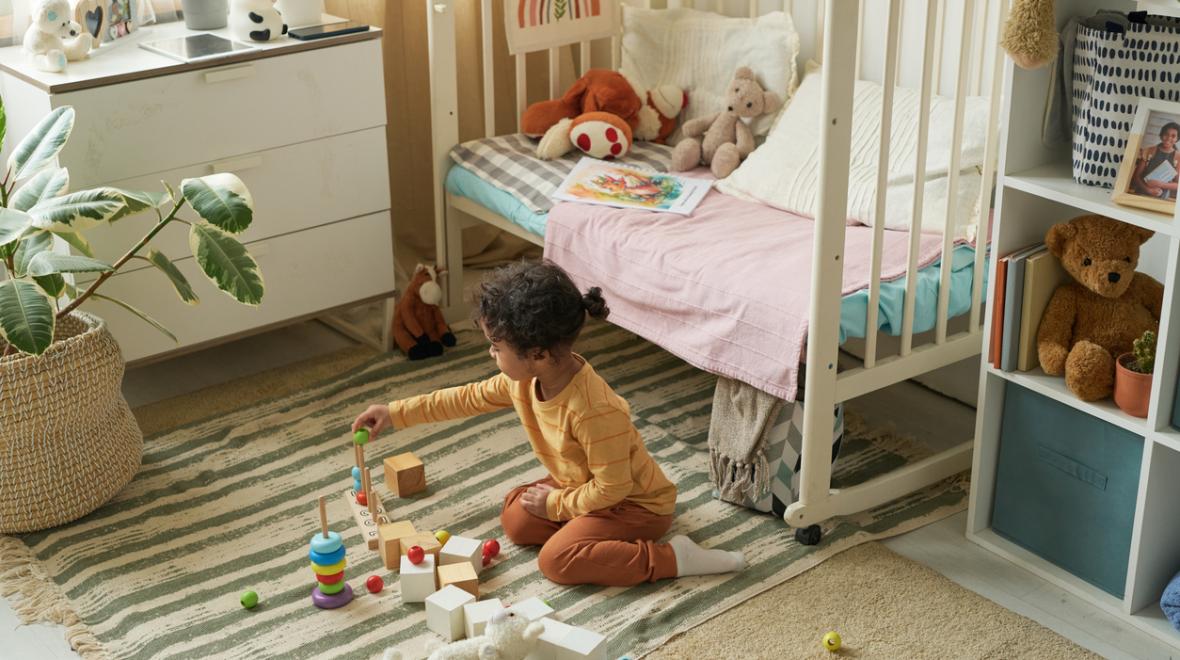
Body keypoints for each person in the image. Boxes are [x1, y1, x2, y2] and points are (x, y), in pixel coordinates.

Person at [352, 260, 745, 586]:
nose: (491, 353)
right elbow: (465, 398)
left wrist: (556, 504)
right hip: (583, 487)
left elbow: (615, 487)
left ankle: (674, 557)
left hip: (635, 505)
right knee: (516, 521)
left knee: (556, 563)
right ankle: (587, 536)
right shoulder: (525, 381)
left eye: (496, 346)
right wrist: (395, 412)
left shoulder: (594, 409)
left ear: (538, 354)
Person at [1130, 120, 1180, 201]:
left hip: (1162, 199)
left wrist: (1161, 184)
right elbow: (1136, 177)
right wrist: (1148, 190)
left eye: (1173, 136)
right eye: (1166, 134)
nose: (1168, 138)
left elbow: (1178, 184)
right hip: (1141, 195)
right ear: (1161, 135)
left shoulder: (1178, 157)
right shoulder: (1148, 151)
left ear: (1177, 139)